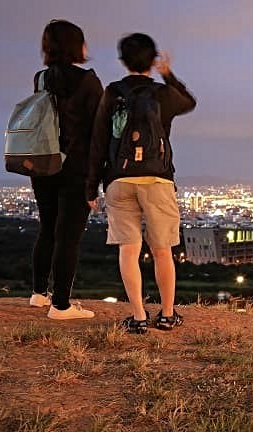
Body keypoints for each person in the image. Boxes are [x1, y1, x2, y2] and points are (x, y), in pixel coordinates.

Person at [86, 33, 196, 334]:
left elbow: (98, 142)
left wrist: (91, 186)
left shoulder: (112, 93)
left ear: (122, 61)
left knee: (128, 249)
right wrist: (167, 73)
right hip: (157, 179)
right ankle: (167, 314)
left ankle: (137, 317)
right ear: (152, 59)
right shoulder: (161, 94)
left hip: (119, 180)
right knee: (162, 250)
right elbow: (189, 102)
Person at [30, 19, 103, 320]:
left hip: (43, 164)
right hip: (74, 168)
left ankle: (38, 294)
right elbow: (99, 132)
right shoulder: (88, 81)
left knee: (47, 228)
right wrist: (95, 180)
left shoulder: (41, 78)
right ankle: (61, 305)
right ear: (76, 45)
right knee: (68, 236)